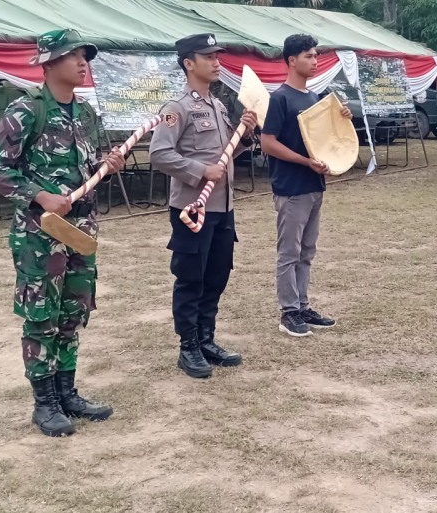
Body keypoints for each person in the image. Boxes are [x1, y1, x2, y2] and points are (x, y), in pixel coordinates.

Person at [0, 29, 126, 437]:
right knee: (41, 315)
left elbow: (89, 163)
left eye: (86, 56)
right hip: (40, 233)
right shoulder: (26, 111)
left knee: (73, 311)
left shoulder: (85, 113)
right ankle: (44, 402)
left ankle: (67, 392)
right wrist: (39, 195)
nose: (84, 63)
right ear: (48, 63)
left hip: (81, 227)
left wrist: (107, 163)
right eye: (74, 56)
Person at [150, 33, 258, 379]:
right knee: (190, 278)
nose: (216, 62)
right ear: (188, 63)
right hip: (191, 208)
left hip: (222, 206)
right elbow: (160, 154)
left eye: (217, 56)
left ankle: (207, 338)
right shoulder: (176, 109)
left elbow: (227, 155)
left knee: (217, 275)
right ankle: (189, 346)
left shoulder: (219, 105)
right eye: (208, 56)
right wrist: (200, 171)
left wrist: (245, 137)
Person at [260, 34, 352, 338]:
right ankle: (288, 312)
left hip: (314, 185)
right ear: (291, 60)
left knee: (307, 251)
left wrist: (343, 118)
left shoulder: (314, 98)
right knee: (289, 253)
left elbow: (326, 139)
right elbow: (268, 143)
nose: (314, 61)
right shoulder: (280, 98)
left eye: (315, 56)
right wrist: (304, 161)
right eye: (309, 56)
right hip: (290, 187)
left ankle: (302, 305)